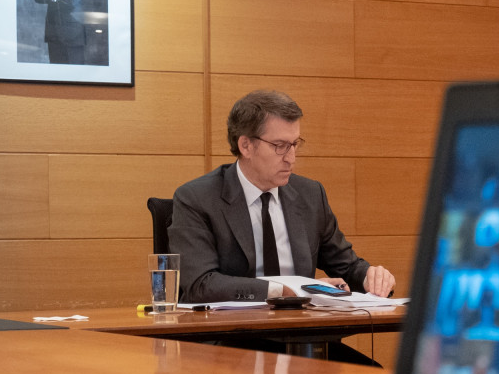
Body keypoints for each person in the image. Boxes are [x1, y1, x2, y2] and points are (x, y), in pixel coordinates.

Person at [170, 89, 396, 305]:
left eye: (295, 144)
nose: (291, 158)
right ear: (246, 145)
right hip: (232, 336)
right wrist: (284, 291)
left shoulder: (310, 195)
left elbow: (346, 266)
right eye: (280, 146)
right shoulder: (197, 199)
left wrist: (370, 276)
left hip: (303, 338)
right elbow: (201, 284)